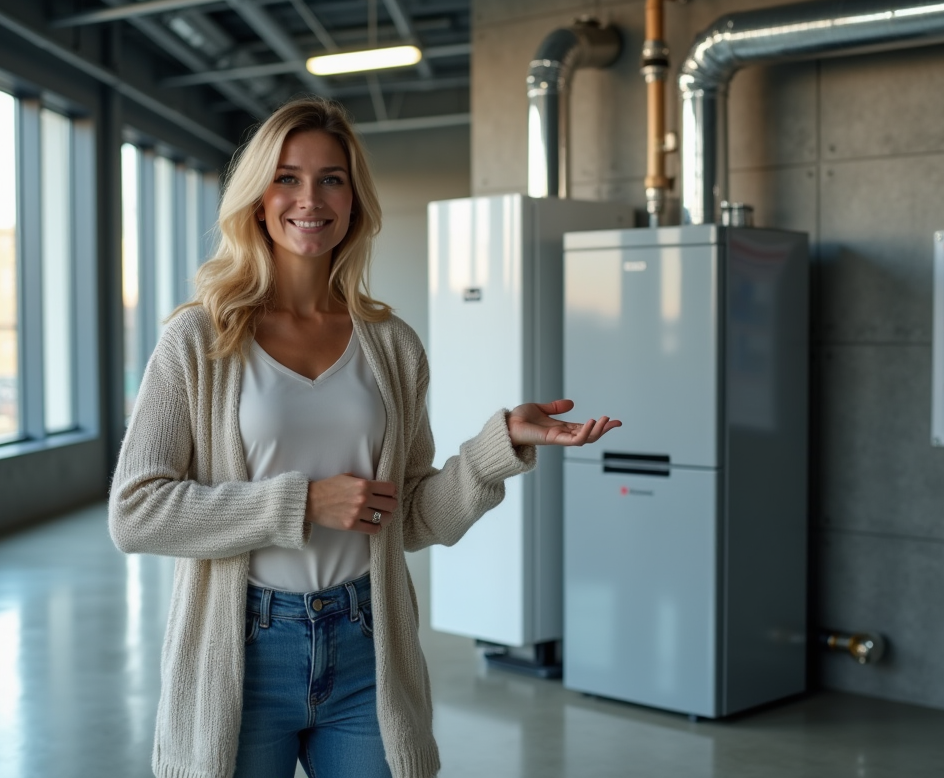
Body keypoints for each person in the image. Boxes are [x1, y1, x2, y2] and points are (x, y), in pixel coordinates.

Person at [107, 96, 621, 778]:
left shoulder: (391, 346)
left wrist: (496, 447)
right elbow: (135, 512)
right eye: (287, 177)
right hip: (241, 651)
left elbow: (406, 517)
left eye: (331, 178)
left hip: (366, 648)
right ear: (257, 198)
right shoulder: (199, 340)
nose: (309, 199)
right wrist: (303, 503)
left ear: (354, 200)